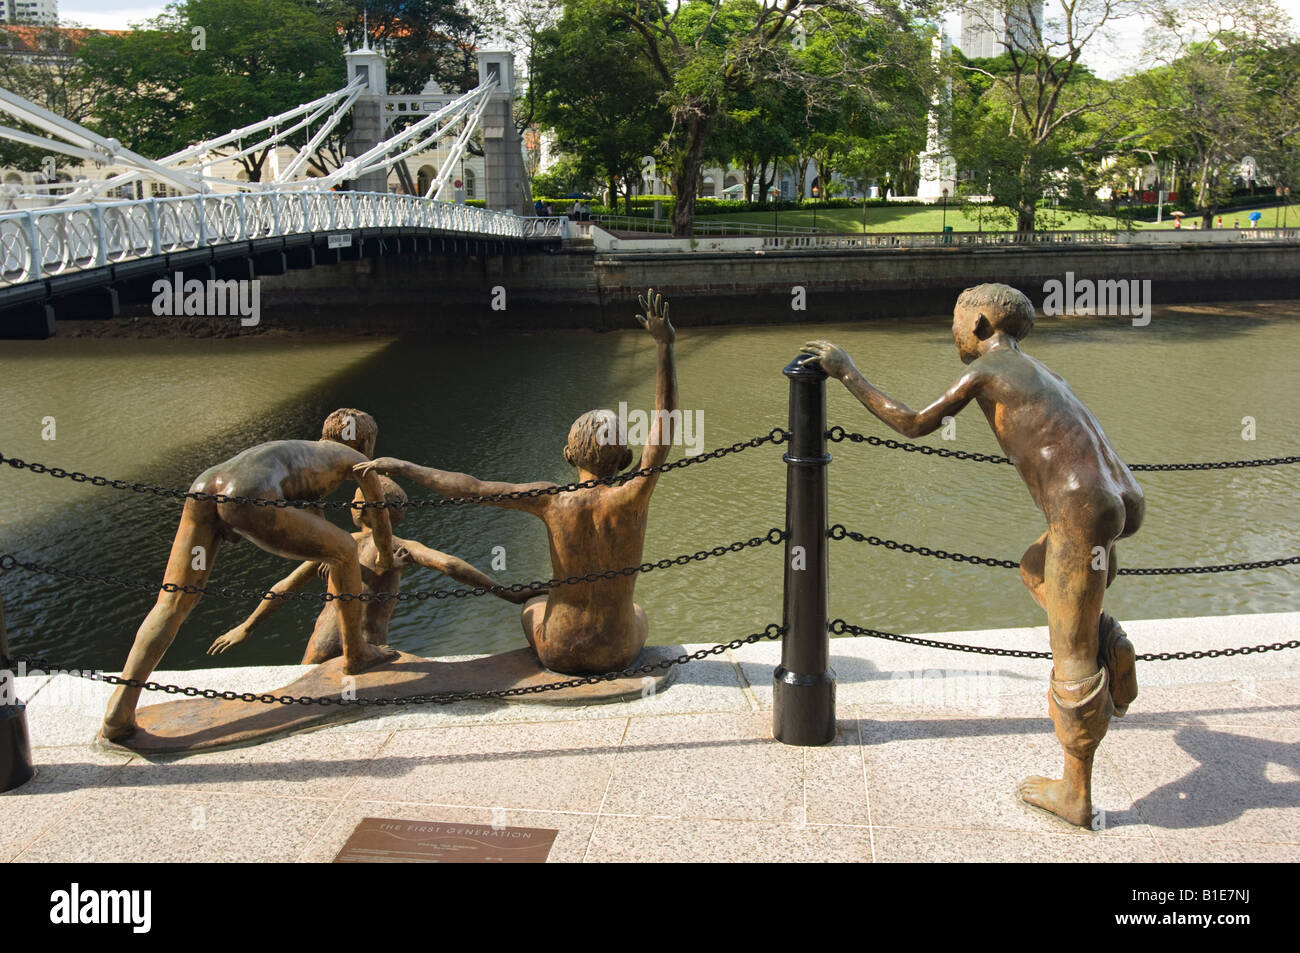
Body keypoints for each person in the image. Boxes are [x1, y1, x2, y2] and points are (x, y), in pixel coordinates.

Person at [800, 283, 1144, 829]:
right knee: (1036, 572)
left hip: (1078, 510)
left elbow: (913, 422)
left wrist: (846, 371)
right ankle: (1109, 640)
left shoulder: (985, 371)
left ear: (981, 324)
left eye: (956, 322)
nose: (952, 332)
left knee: (1070, 656)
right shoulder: (1043, 372)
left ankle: (1075, 793)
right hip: (1118, 496)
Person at [355, 289, 678, 675]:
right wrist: (664, 347)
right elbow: (664, 426)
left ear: (568, 454)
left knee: (532, 604)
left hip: (559, 647)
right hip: (617, 648)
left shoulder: (550, 500)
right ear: (624, 457)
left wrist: (405, 466)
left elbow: (470, 487)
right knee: (638, 610)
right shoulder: (634, 494)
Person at [101, 409, 397, 742]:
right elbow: (380, 517)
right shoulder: (355, 458)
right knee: (346, 549)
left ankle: (121, 707)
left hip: (207, 483)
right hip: (250, 493)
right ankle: (356, 653)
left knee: (173, 600)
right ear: (366, 439)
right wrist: (385, 557)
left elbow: (311, 510)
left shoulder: (306, 451)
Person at [207, 478, 535, 664]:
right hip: (367, 644)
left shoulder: (337, 544)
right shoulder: (401, 546)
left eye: (354, 499)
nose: (349, 504)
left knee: (309, 697)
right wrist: (508, 593)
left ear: (363, 508)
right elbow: (449, 564)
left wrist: (247, 628)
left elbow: (286, 586)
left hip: (322, 641)